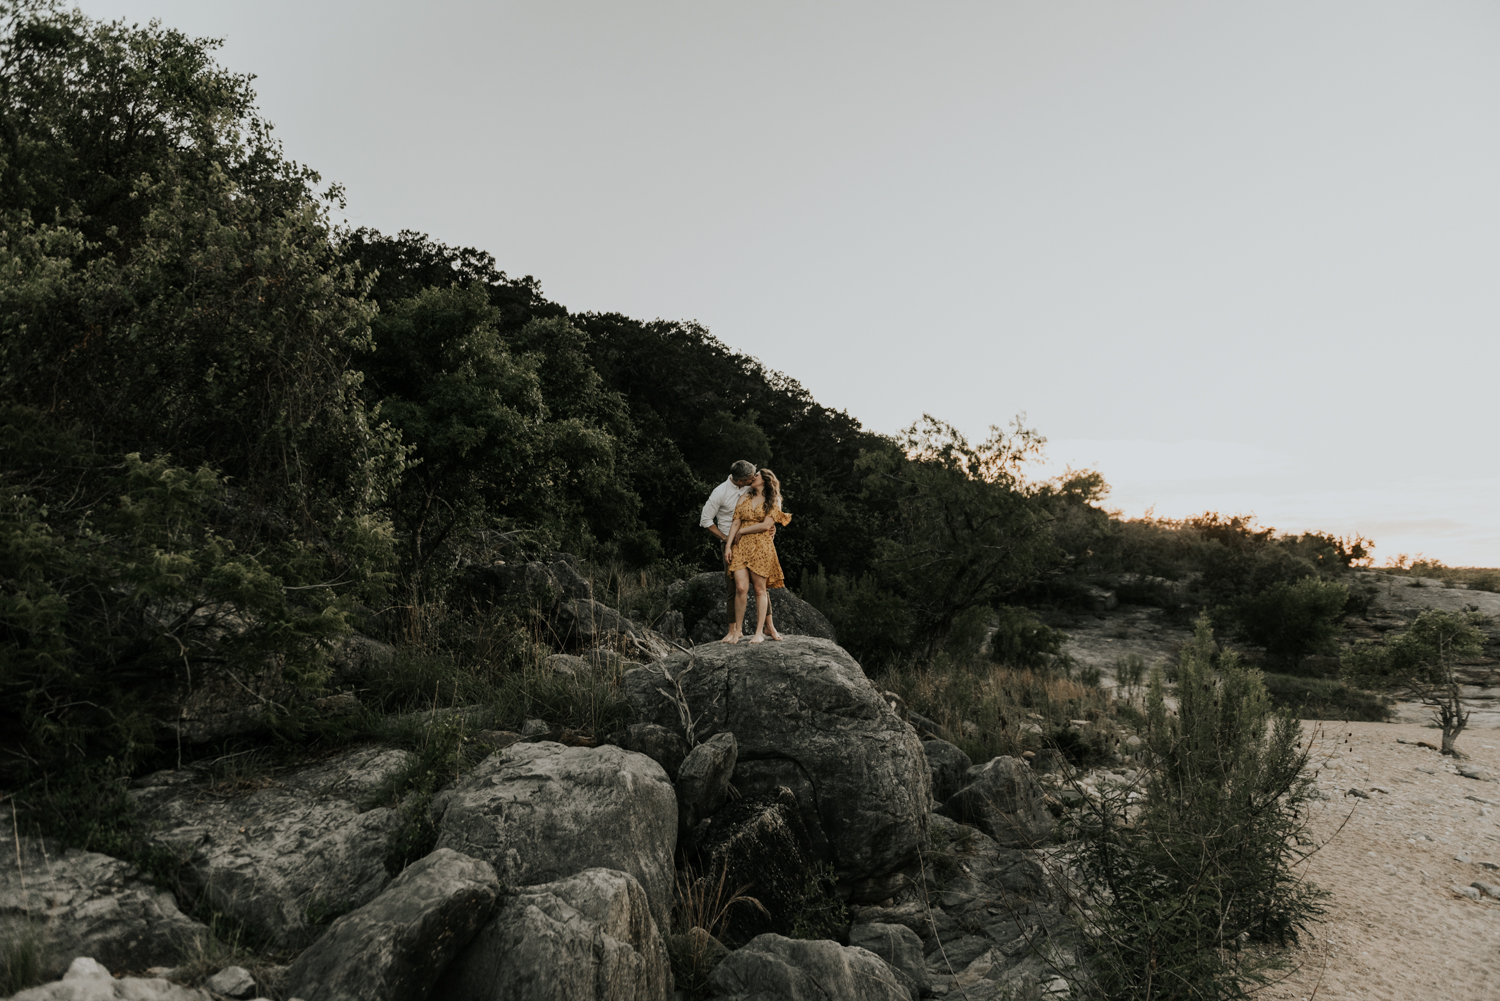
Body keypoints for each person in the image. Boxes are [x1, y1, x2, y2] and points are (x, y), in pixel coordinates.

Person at [700, 460, 778, 641]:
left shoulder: (752, 488)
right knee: (734, 587)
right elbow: (706, 520)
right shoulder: (720, 493)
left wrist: (771, 527)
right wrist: (725, 539)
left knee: (761, 587)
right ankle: (733, 630)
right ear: (742, 480)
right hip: (731, 543)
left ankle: (769, 626)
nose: (755, 477)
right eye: (752, 476)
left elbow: (767, 509)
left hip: (756, 541)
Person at [723, 469, 791, 644]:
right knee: (740, 588)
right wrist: (728, 546)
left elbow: (767, 525)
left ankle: (759, 632)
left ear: (766, 479)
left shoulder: (774, 500)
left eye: (757, 475)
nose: (753, 477)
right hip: (741, 546)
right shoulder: (745, 496)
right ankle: (738, 631)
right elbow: (736, 521)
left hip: (761, 546)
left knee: (760, 590)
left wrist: (743, 530)